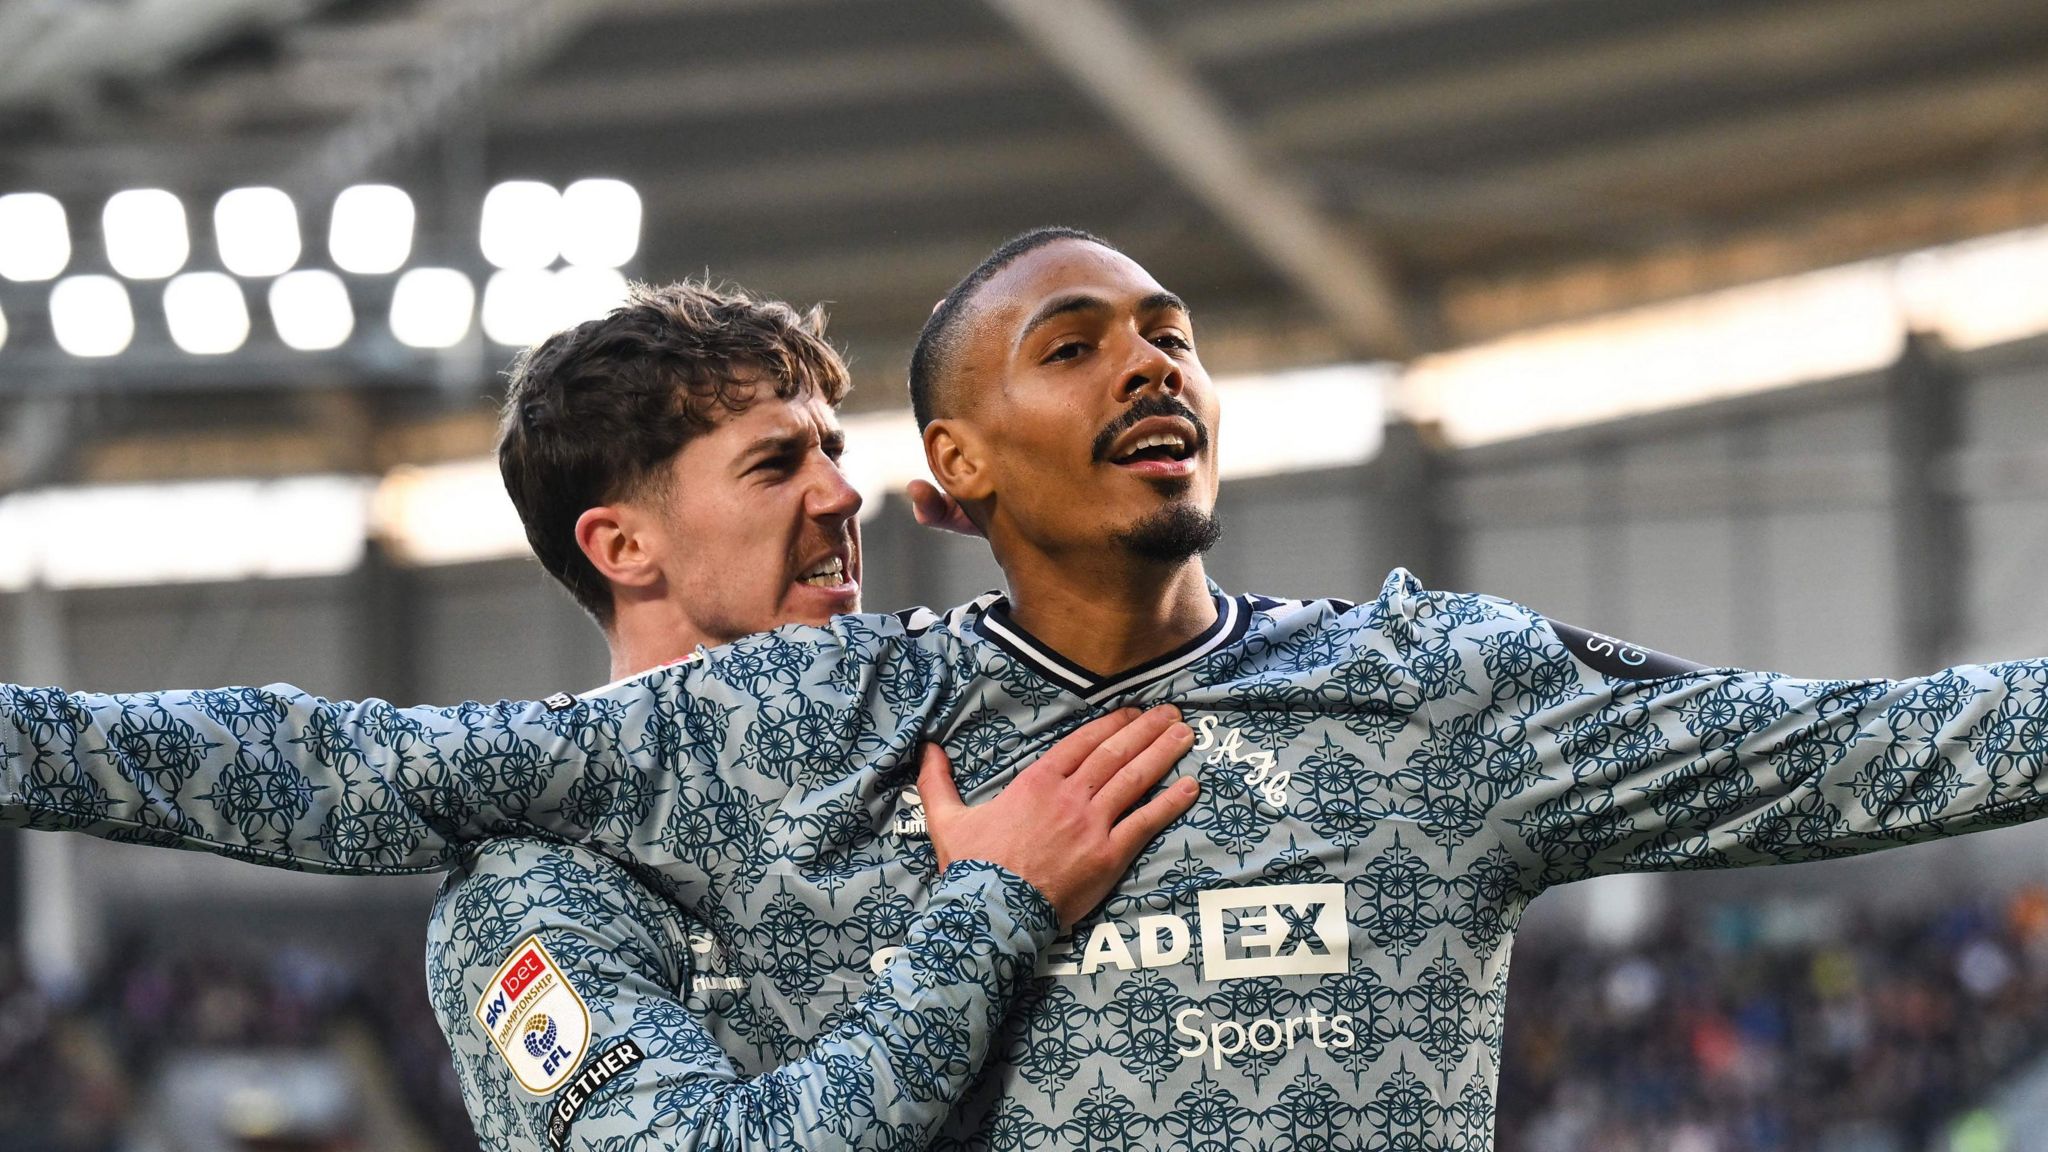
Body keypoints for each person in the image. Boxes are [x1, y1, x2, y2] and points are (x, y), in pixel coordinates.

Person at [9, 227, 2048, 1151]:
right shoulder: (748, 764)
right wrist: (986, 908)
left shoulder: (1434, 695)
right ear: (965, 463)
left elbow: (1878, 749)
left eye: (1171, 331)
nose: (1153, 361)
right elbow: (332, 763)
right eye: (1076, 342)